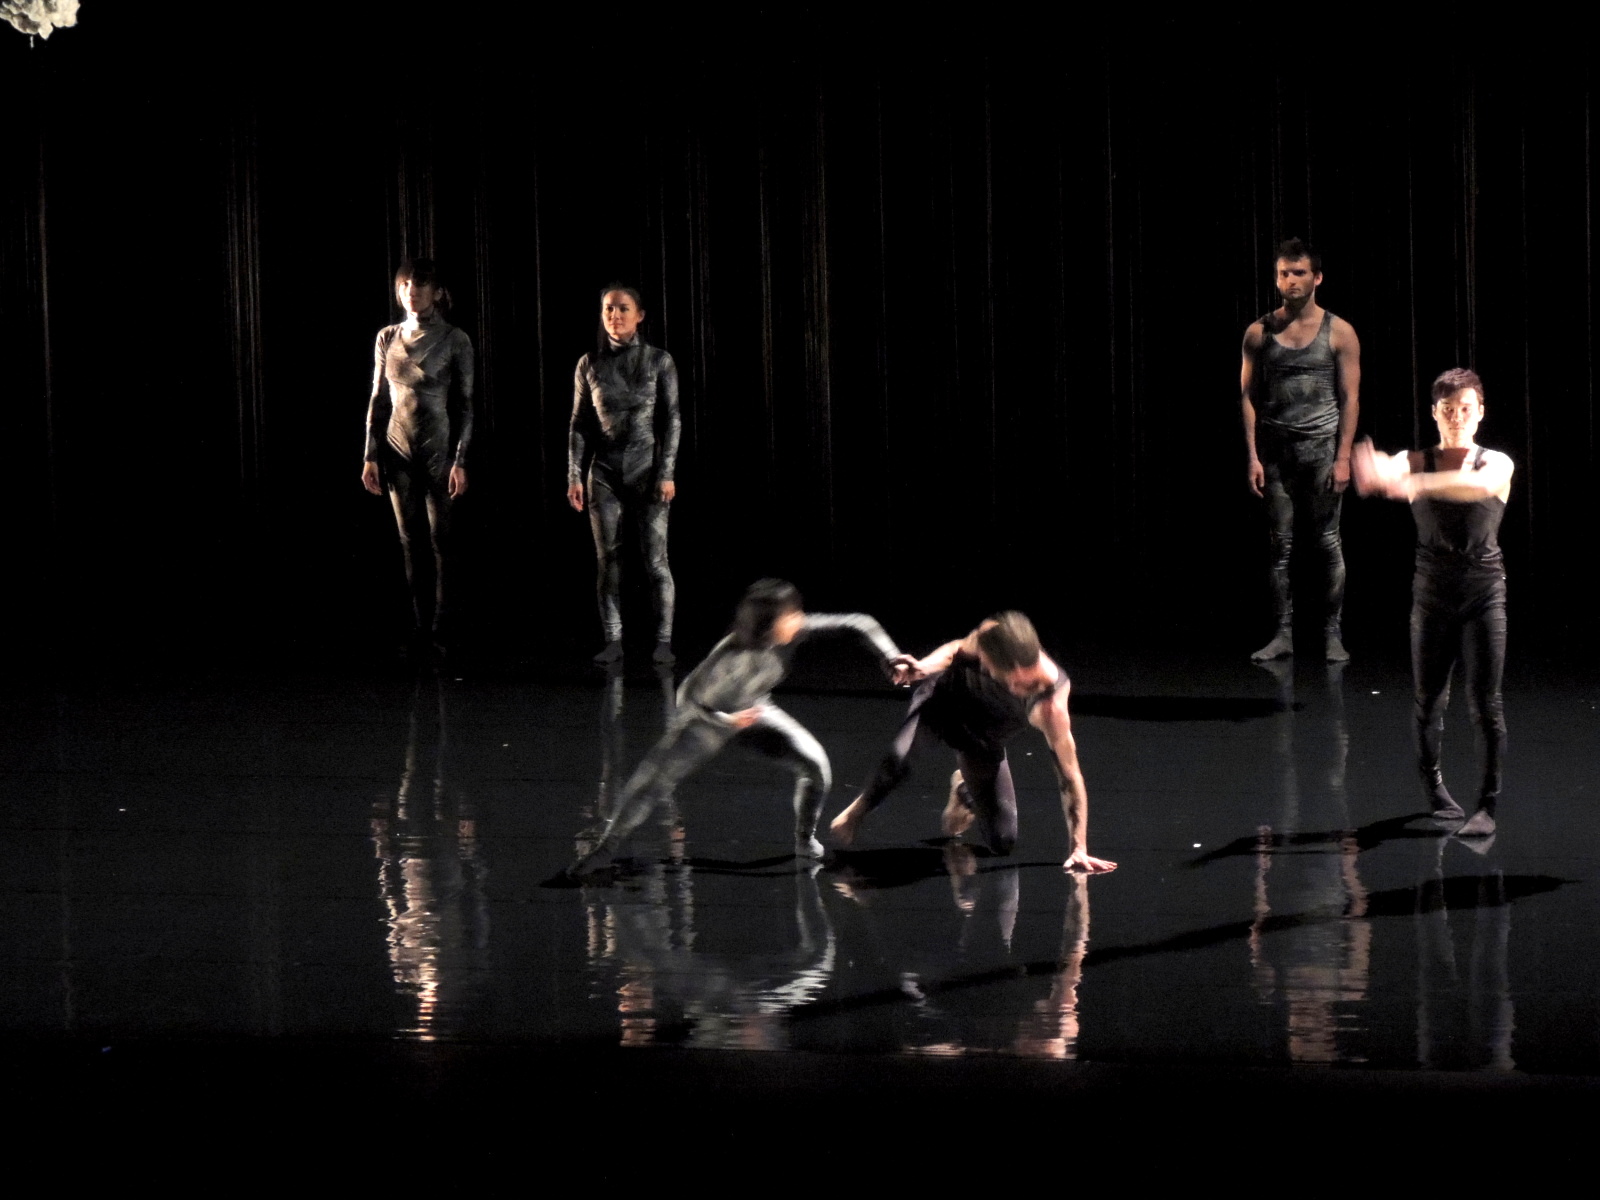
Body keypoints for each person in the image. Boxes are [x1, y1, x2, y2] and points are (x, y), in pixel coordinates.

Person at [568, 579, 906, 875]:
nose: (799, 620)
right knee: (653, 780)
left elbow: (858, 623)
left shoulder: (795, 631)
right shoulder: (730, 655)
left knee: (816, 765)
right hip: (705, 721)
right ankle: (605, 848)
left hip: (754, 712)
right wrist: (725, 720)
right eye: (789, 617)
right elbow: (686, 698)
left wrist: (890, 655)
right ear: (767, 626)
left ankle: (804, 840)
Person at [829, 612, 1118, 875]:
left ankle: (964, 788)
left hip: (980, 739)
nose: (985, 667)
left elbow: (1069, 775)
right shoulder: (994, 637)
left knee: (1002, 841)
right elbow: (957, 650)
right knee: (901, 758)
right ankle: (856, 813)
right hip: (941, 701)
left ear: (1016, 673)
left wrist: (1079, 847)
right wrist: (922, 668)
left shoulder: (1049, 705)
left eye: (991, 668)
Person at [1352, 368, 1512, 837]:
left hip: (1484, 593)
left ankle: (1487, 806)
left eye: (1466, 409)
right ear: (1434, 414)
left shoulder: (1496, 463)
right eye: (1448, 410)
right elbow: (1389, 469)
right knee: (1429, 701)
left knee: (1486, 704)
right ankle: (1434, 787)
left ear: (1480, 413)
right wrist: (1378, 468)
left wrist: (1417, 485)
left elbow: (1478, 488)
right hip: (1432, 595)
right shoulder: (1415, 459)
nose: (1457, 417)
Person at [1241, 238, 1361, 662]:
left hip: (1321, 453)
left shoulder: (1339, 332)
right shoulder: (1259, 332)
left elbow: (1350, 398)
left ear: (1317, 277)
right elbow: (1248, 396)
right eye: (1283, 273)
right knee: (1280, 546)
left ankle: (1331, 633)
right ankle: (1283, 634)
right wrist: (1253, 456)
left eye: (1299, 273)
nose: (1290, 280)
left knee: (1327, 543)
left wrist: (1343, 457)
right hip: (1277, 455)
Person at [362, 258, 475, 657]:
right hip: (397, 449)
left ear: (437, 292)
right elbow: (378, 399)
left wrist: (460, 460)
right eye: (406, 284)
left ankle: (444, 628)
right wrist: (370, 455)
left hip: (438, 450)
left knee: (442, 540)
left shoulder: (455, 339)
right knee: (410, 541)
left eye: (421, 284)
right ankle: (419, 627)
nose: (412, 290)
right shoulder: (387, 336)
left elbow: (465, 404)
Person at [567, 285, 680, 665]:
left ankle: (663, 641)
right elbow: (579, 423)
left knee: (655, 560)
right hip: (604, 471)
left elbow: (672, 419)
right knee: (608, 560)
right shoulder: (589, 364)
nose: (614, 315)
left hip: (647, 469)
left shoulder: (659, 361)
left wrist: (666, 472)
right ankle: (613, 639)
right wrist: (573, 475)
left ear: (640, 315)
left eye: (623, 308)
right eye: (608, 309)